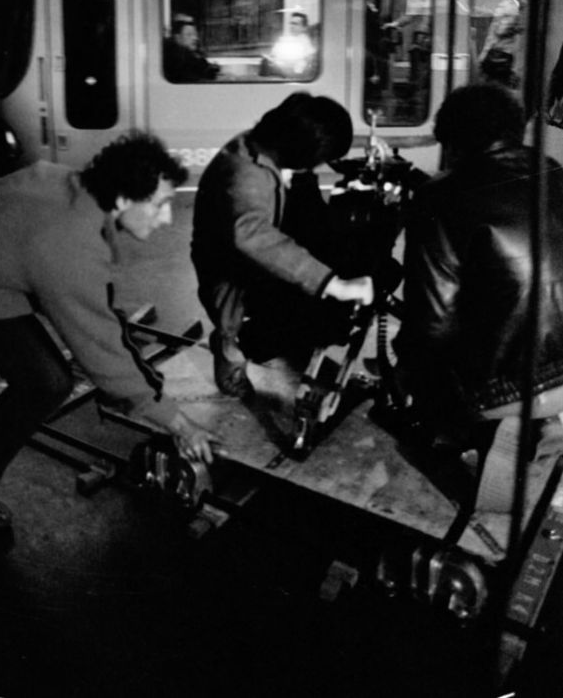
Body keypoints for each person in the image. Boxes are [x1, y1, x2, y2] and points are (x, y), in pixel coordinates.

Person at [0, 131, 220, 529]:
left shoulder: (73, 188)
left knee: (47, 381)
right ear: (125, 199)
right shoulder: (68, 243)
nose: (167, 215)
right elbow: (102, 348)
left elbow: (93, 306)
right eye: (160, 205)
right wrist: (176, 421)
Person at [395, 85, 563, 495]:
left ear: (451, 142)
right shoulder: (555, 172)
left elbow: (431, 322)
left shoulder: (439, 197)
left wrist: (404, 372)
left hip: (502, 390)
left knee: (408, 412)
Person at [191, 92, 374, 397]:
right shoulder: (246, 174)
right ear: (299, 149)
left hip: (245, 261)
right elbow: (253, 235)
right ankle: (230, 347)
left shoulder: (261, 146)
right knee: (302, 316)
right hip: (231, 278)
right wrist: (334, 284)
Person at [163, 13, 220, 82]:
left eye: (195, 34)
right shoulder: (177, 60)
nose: (195, 38)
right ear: (177, 37)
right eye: (189, 35)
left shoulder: (194, 55)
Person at [262, 11, 317, 79]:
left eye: (295, 24)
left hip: (295, 76)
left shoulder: (306, 43)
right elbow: (274, 55)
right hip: (279, 74)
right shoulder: (284, 39)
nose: (291, 26)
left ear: (304, 27)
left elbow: (305, 61)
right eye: (291, 23)